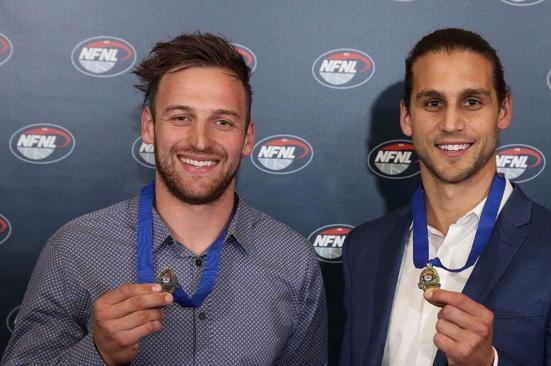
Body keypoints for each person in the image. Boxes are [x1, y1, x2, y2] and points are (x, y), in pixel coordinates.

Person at [2, 33, 327, 365]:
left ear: (248, 137)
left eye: (223, 121)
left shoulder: (293, 259)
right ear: (149, 126)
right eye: (181, 118)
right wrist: (98, 353)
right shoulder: (76, 248)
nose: (201, 141)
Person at [339, 28, 551, 366]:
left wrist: (487, 364)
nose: (451, 123)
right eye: (433, 103)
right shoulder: (365, 247)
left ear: (503, 110)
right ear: (406, 117)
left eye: (472, 102)